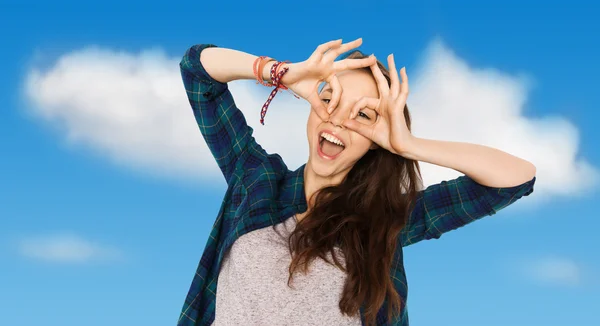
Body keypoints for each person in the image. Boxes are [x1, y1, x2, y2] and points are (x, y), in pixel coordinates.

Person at [177, 38, 537, 326]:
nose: (338, 120)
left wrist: (408, 145)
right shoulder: (255, 181)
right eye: (330, 100)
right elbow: (197, 69)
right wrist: (280, 73)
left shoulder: (384, 219)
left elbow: (513, 179)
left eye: (363, 115)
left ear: (374, 142)